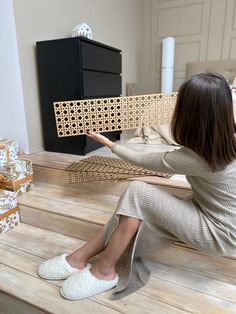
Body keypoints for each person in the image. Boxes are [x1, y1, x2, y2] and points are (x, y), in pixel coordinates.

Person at [37, 73, 236, 301]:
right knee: (131, 206)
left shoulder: (196, 158)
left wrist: (110, 144)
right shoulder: (226, 141)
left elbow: (143, 161)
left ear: (188, 112)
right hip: (215, 212)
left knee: (137, 192)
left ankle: (104, 271)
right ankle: (79, 257)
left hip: (221, 233)